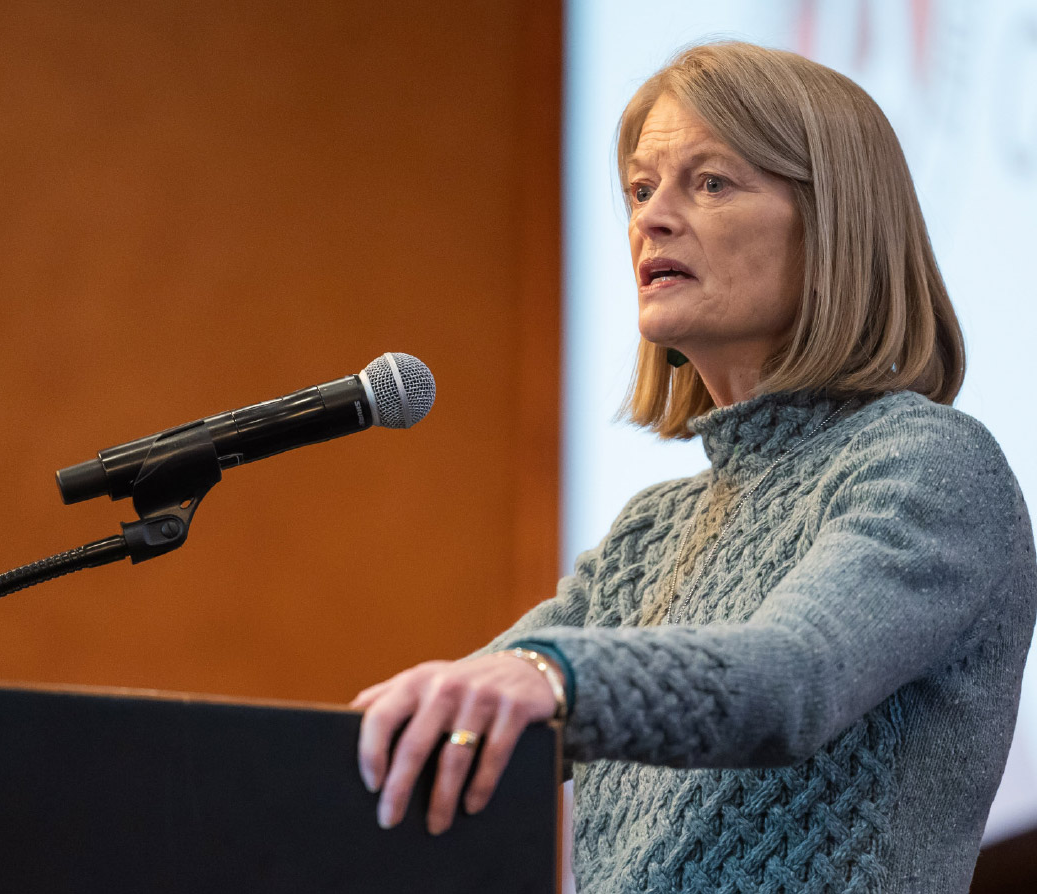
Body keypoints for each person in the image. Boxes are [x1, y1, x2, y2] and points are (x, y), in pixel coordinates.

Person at [352, 41, 1037, 893]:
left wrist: (548, 675)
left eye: (710, 183)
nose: (652, 219)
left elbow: (792, 677)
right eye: (641, 190)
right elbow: (469, 705)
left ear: (836, 225)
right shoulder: (649, 533)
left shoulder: (930, 466)